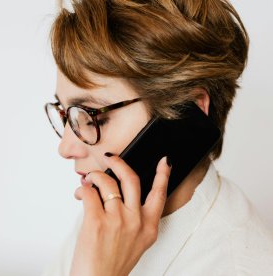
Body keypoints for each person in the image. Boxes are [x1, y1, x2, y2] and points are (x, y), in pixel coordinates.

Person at [42, 0, 273, 275]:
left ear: (187, 110)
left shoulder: (241, 265)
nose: (65, 147)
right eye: (66, 114)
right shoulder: (109, 217)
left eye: (92, 115)